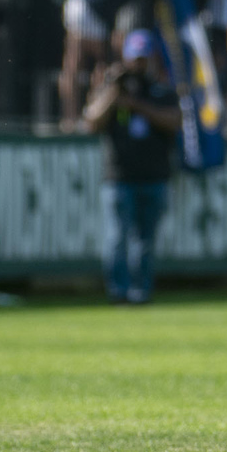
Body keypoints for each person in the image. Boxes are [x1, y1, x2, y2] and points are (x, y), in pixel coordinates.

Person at [84, 29, 181, 304]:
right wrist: (114, 91)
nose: (138, 64)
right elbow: (91, 121)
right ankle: (118, 292)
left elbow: (174, 121)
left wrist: (137, 105)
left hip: (154, 177)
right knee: (116, 238)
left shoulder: (161, 90)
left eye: (143, 58)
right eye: (134, 58)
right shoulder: (113, 88)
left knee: (145, 242)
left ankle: (141, 292)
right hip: (119, 176)